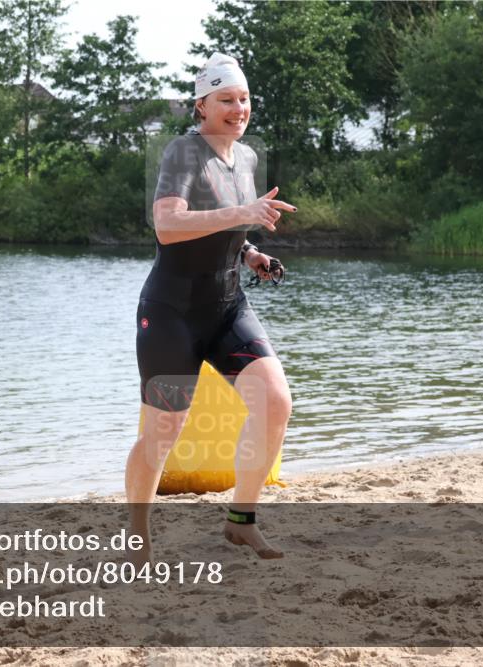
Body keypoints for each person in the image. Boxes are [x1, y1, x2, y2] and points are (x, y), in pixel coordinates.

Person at [127, 53, 295, 561]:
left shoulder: (244, 157)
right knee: (164, 428)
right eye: (226, 99)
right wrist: (245, 212)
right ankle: (137, 532)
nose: (238, 108)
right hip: (173, 311)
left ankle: (241, 520)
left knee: (275, 401)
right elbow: (169, 225)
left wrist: (250, 253)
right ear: (202, 106)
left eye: (243, 99)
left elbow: (221, 227)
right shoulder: (183, 152)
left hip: (227, 305)